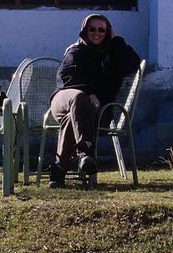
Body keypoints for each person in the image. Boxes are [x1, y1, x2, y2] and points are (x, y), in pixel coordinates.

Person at [47, 14, 141, 188]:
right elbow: (65, 78)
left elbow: (134, 63)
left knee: (72, 119)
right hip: (64, 100)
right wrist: (89, 92)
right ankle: (85, 153)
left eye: (101, 30)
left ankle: (58, 170)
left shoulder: (112, 56)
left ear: (108, 32)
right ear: (84, 31)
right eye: (92, 29)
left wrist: (117, 40)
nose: (96, 33)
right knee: (79, 97)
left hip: (97, 112)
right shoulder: (75, 50)